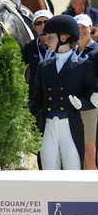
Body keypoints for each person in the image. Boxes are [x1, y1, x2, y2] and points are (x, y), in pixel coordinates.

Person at [29, 15, 97, 170]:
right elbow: (36, 99)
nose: (46, 41)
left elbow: (92, 94)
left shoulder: (83, 65)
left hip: (70, 125)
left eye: (50, 37)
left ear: (64, 37)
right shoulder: (43, 66)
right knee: (48, 170)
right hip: (48, 126)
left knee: (72, 171)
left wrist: (82, 103)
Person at [74, 14, 98, 169]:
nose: (81, 30)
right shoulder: (73, 50)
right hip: (76, 104)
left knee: (89, 150)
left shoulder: (96, 50)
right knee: (80, 148)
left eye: (84, 27)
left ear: (91, 29)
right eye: (77, 27)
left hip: (91, 105)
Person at [22, 9, 54, 95]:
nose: (43, 25)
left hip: (56, 94)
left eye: (46, 21)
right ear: (34, 27)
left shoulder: (61, 46)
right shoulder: (29, 46)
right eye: (38, 23)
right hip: (35, 95)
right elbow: (21, 69)